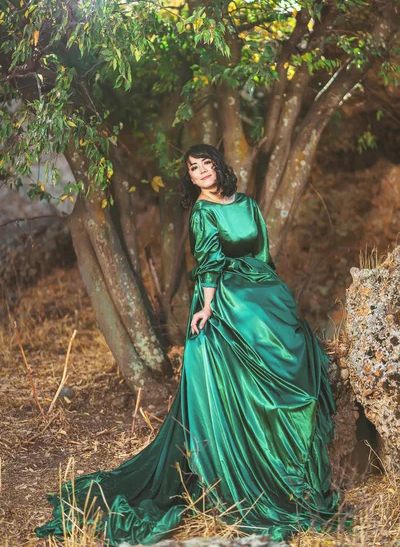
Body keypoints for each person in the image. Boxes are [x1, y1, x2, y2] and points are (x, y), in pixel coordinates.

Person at [35, 144, 351, 545]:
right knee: (250, 335)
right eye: (193, 168)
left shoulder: (248, 204)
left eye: (206, 164)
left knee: (293, 345)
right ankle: (251, 458)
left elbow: (263, 253)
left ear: (220, 166)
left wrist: (272, 290)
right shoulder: (202, 212)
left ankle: (285, 443)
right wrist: (206, 308)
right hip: (227, 294)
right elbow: (208, 262)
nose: (201, 172)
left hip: (261, 285)